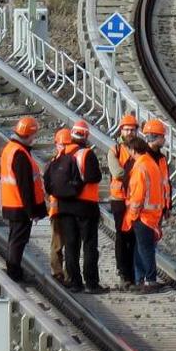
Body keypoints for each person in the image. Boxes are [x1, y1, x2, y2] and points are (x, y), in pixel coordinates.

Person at [56, 119, 105, 294]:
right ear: (86, 135)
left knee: (71, 245)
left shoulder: (62, 153)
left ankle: (75, 282)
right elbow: (94, 177)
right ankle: (91, 283)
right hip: (86, 207)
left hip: (65, 206)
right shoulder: (86, 154)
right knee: (89, 245)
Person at [0, 116, 47, 283]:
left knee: (15, 239)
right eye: (34, 135)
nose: (35, 138)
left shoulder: (10, 149)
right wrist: (31, 211)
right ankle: (14, 272)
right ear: (29, 134)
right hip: (19, 206)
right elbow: (25, 186)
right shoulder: (20, 154)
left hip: (12, 202)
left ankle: (14, 269)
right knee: (18, 241)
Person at [121, 136, 165, 294]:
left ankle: (149, 280)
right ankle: (142, 279)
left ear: (133, 150)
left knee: (144, 249)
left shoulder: (140, 168)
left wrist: (132, 215)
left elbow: (137, 196)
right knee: (143, 248)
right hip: (153, 213)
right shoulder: (151, 164)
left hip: (143, 215)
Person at [108, 114, 138, 288]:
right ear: (121, 130)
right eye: (127, 129)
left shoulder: (140, 148)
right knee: (122, 236)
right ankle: (123, 273)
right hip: (119, 199)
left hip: (135, 198)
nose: (130, 132)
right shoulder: (115, 150)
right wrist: (138, 175)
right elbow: (117, 172)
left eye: (132, 129)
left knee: (133, 237)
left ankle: (132, 273)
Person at [45, 128, 72, 284]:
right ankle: (58, 273)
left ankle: (65, 274)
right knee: (58, 244)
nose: (64, 148)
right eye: (62, 145)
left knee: (67, 244)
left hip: (64, 210)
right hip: (58, 210)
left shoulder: (55, 164)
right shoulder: (55, 164)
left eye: (66, 145)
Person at [142, 119, 172, 220]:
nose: (164, 139)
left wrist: (167, 206)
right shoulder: (142, 157)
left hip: (158, 210)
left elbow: (166, 184)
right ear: (154, 137)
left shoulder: (162, 159)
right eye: (162, 136)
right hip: (143, 213)